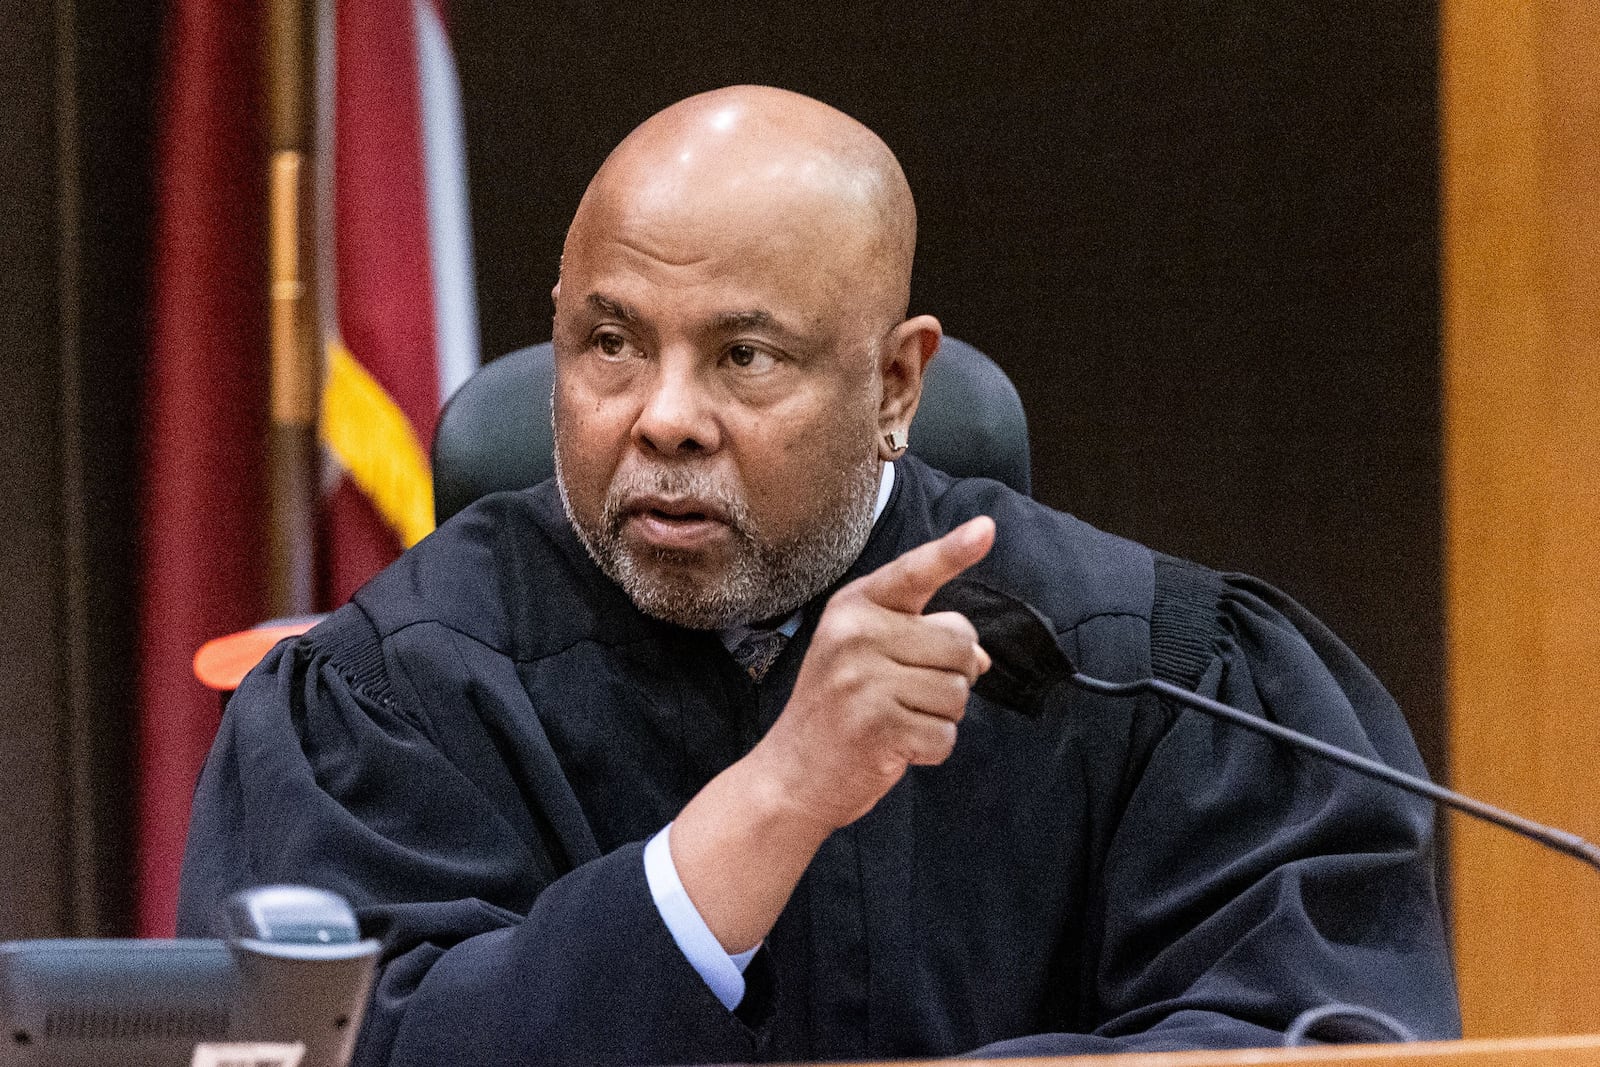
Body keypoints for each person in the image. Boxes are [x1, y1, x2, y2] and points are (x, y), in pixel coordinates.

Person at [178, 85, 1460, 1064]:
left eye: (745, 356)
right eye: (610, 342)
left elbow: (1319, 1034)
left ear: (897, 380)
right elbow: (345, 1045)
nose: (662, 417)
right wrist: (777, 796)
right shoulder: (388, 693)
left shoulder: (1149, 670)